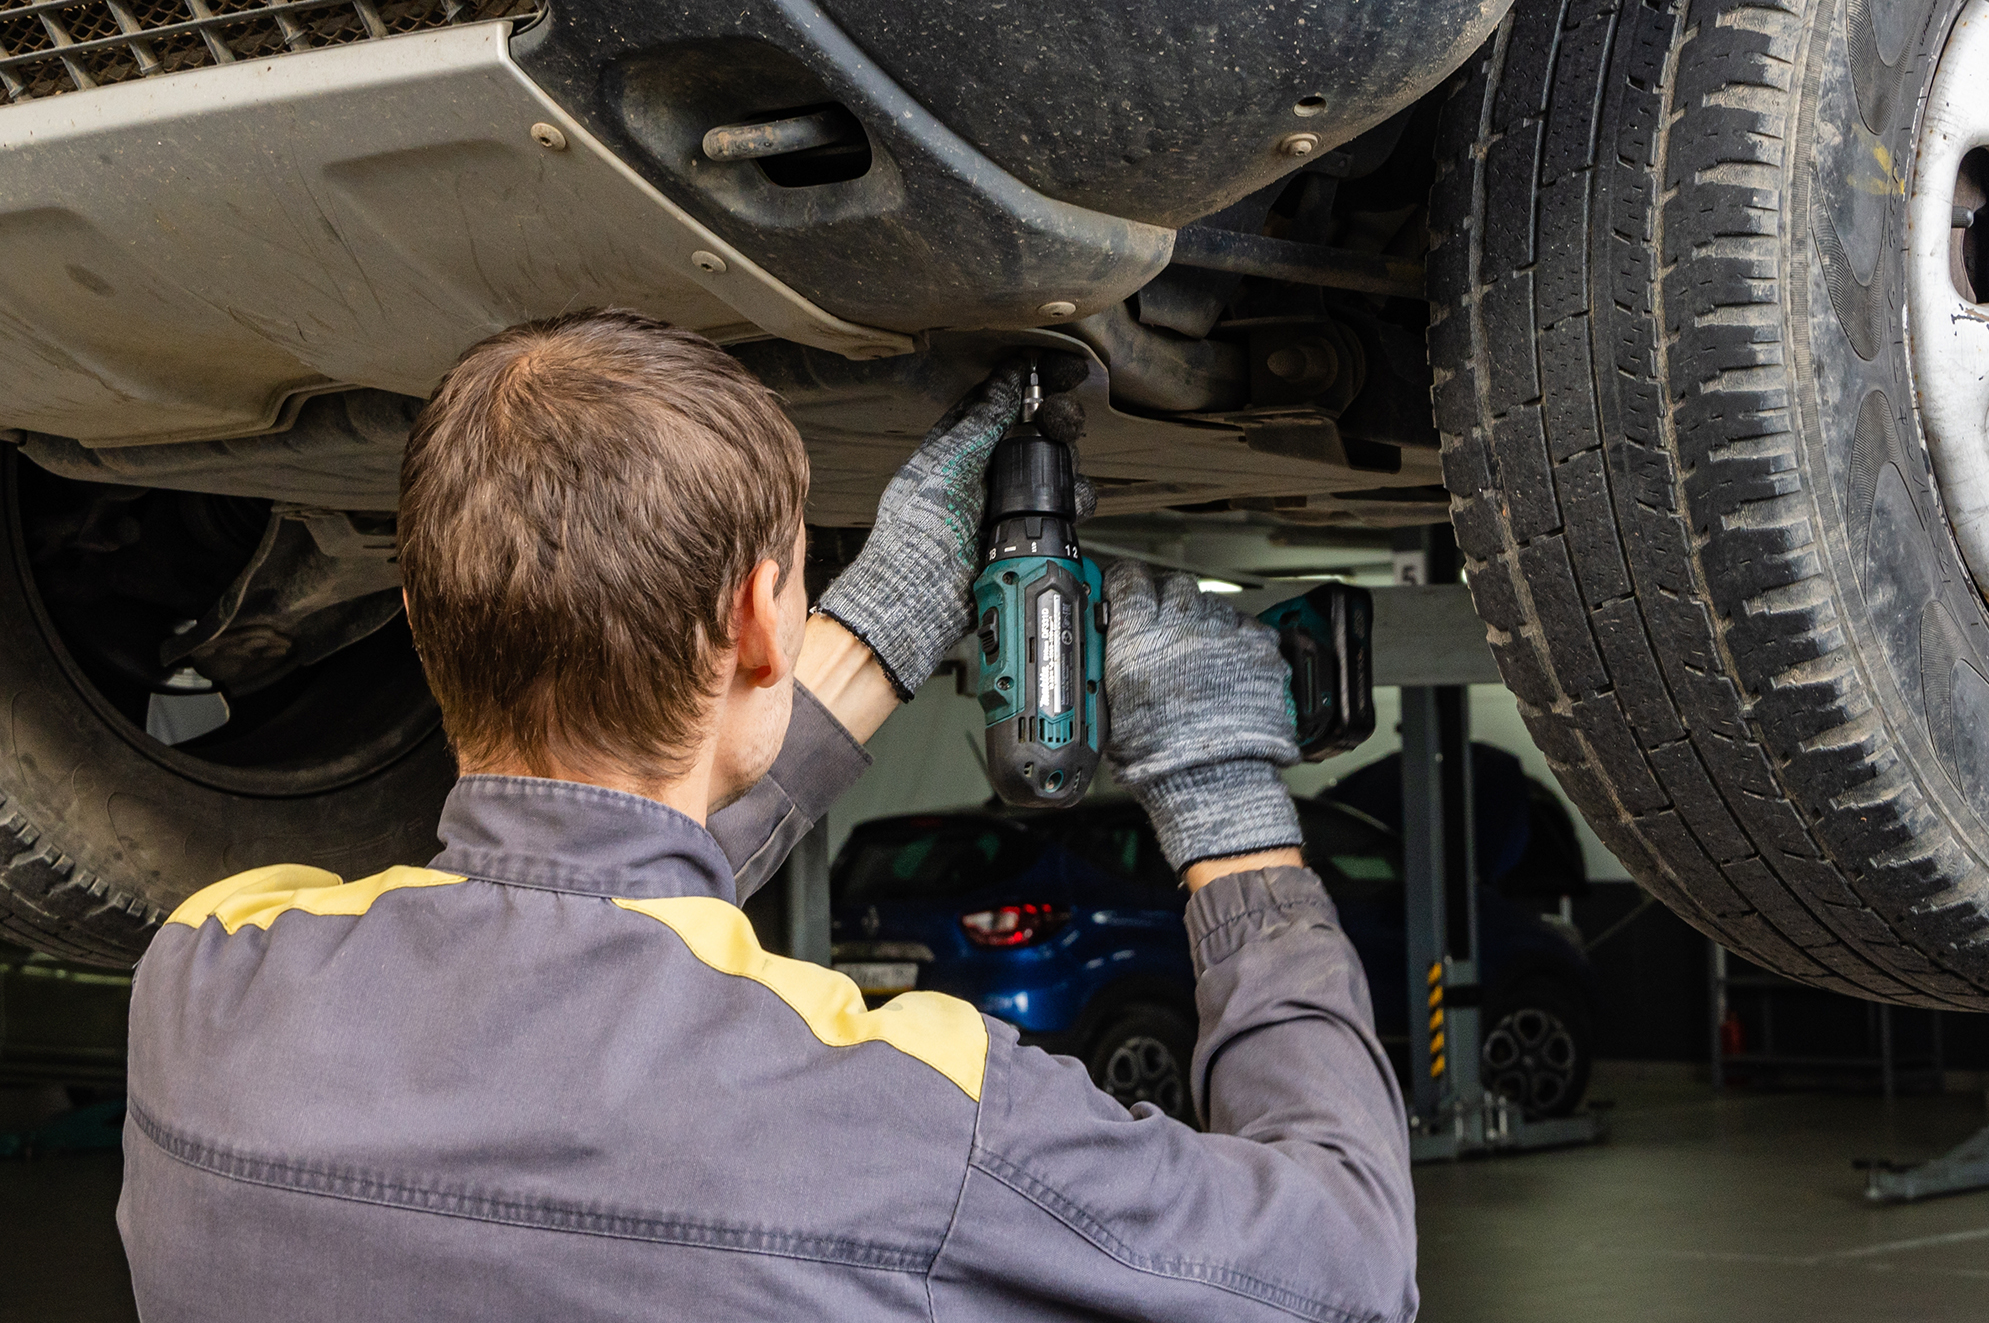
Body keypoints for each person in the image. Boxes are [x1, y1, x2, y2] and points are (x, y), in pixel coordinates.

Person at [116, 311, 1416, 1321]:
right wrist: (1219, 788)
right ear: (756, 619)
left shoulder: (207, 979)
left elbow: (563, 930)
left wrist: (884, 625)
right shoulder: (912, 1120)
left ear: (421, 616)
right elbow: (1350, 1269)